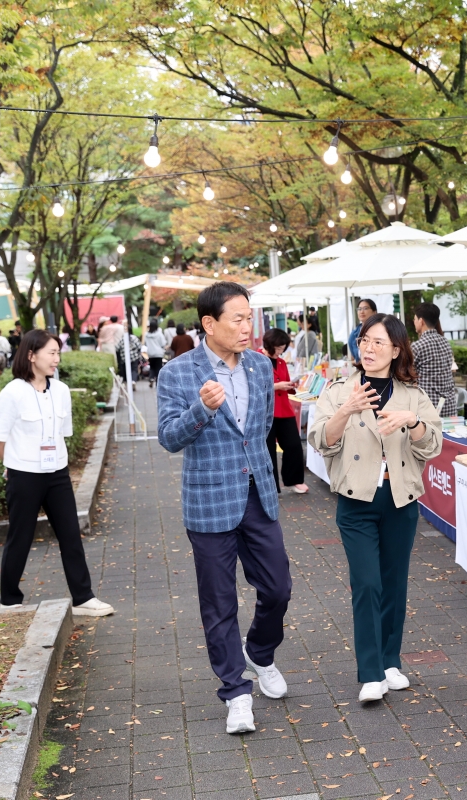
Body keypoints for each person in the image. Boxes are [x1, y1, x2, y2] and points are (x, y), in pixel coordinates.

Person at [157, 282, 291, 735]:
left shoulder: (260, 365)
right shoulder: (177, 373)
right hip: (209, 500)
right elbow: (169, 438)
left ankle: (260, 652)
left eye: (249, 317)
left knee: (278, 588)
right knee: (219, 602)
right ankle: (235, 692)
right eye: (238, 318)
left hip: (258, 495)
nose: (247, 326)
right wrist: (201, 409)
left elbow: (262, 428)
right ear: (209, 324)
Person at [308, 313, 441, 703]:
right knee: (367, 583)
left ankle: (389, 661)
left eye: (378, 342)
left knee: (394, 582)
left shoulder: (412, 395)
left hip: (400, 499)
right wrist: (346, 410)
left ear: (396, 350)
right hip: (357, 501)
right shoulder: (339, 391)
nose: (368, 348)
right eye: (364, 340)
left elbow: (433, 444)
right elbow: (320, 440)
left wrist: (413, 422)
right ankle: (370, 673)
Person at [0, 330, 114, 615]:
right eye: (52, 353)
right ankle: (9, 600)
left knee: (70, 535)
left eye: (58, 353)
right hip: (24, 475)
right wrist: (12, 464)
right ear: (31, 355)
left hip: (57, 473)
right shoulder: (13, 392)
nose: (57, 358)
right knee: (20, 538)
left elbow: (62, 433)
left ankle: (83, 598)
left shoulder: (61, 391)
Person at [263, 328, 308, 494]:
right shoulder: (258, 359)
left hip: (284, 408)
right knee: (268, 450)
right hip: (266, 410)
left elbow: (285, 383)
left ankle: (294, 480)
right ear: (270, 344)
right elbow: (254, 386)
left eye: (282, 348)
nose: (280, 352)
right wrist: (276, 386)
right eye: (278, 348)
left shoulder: (282, 363)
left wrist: (291, 385)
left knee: (294, 445)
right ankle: (271, 486)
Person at [411, 302, 457, 415]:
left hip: (428, 407)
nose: (414, 322)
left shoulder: (417, 346)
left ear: (421, 321)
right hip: (449, 406)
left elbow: (407, 374)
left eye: (415, 319)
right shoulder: (446, 342)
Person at [347, 298, 376, 362]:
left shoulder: (381, 330)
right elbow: (355, 356)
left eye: (365, 308)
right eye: (359, 309)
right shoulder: (354, 335)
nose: (362, 312)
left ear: (374, 312)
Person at [145, 319, 168, 387]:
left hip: (150, 353)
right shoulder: (159, 334)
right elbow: (163, 343)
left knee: (152, 367)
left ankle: (151, 378)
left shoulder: (146, 335)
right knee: (158, 367)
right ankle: (158, 382)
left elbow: (145, 344)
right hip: (158, 353)